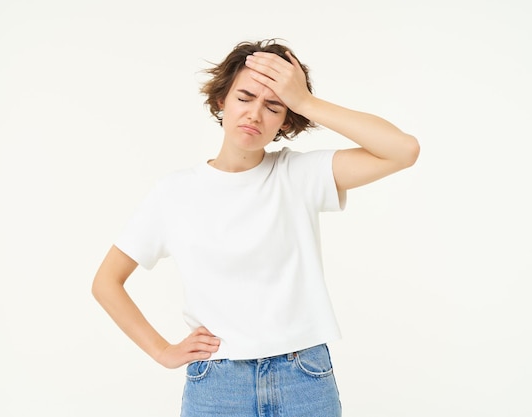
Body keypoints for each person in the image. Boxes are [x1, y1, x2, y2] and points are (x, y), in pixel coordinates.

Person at [92, 39, 420, 417]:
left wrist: (307, 102)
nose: (254, 114)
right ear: (221, 101)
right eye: (244, 97)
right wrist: (163, 351)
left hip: (304, 376)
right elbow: (106, 282)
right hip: (217, 385)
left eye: (274, 105)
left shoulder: (298, 175)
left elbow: (403, 150)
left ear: (286, 119)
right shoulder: (174, 193)